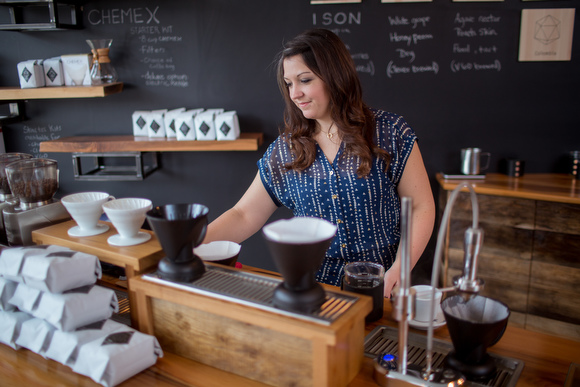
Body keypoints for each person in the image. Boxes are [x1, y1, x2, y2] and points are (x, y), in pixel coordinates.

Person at [204, 28, 435, 298]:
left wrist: (400, 269)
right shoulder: (286, 149)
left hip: (384, 288)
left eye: (304, 80)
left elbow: (421, 206)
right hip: (316, 293)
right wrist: (185, 246)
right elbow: (244, 214)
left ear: (335, 75)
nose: (295, 94)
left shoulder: (390, 132)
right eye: (289, 84)